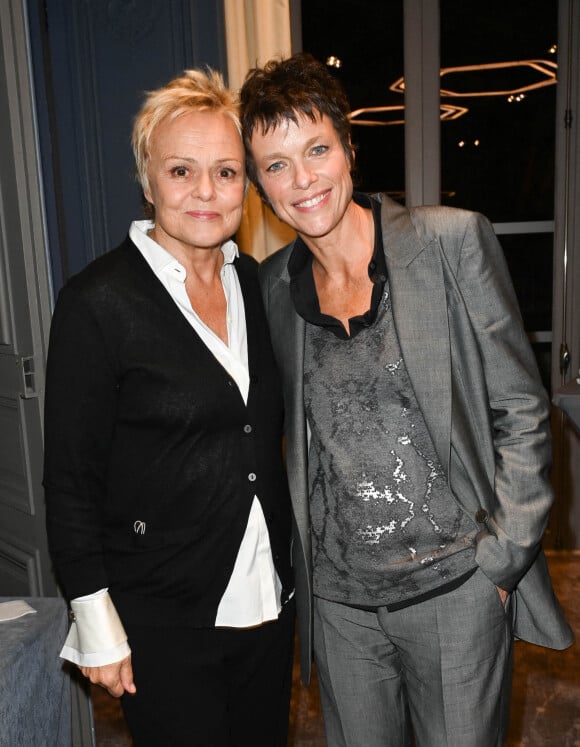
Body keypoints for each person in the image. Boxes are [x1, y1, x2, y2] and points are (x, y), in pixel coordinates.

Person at [239, 52, 574, 747]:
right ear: (259, 185)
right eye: (276, 164)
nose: (302, 180)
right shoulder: (271, 289)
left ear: (348, 147)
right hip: (341, 611)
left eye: (316, 150)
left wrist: (503, 561)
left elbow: (521, 408)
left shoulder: (451, 243)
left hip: (457, 592)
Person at [43, 68, 294, 747]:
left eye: (226, 172)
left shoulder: (258, 284)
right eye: (182, 171)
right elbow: (71, 481)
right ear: (149, 181)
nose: (206, 193)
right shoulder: (98, 302)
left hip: (268, 604)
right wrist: (96, 624)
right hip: (162, 618)